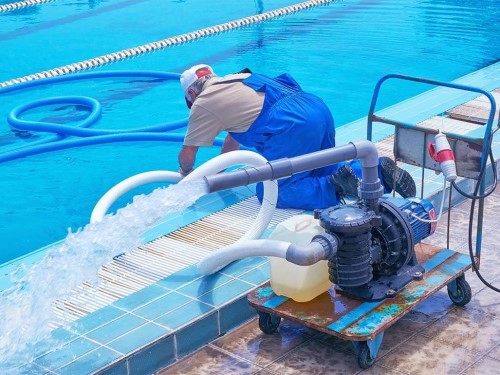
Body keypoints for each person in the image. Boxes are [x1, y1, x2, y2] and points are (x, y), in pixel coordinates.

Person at [177, 64, 416, 210]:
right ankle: (372, 171)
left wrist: (188, 177)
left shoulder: (204, 102)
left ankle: (336, 186)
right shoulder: (238, 78)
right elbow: (233, 139)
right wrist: (218, 173)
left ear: (191, 92)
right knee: (321, 168)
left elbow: (188, 155)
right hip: (315, 108)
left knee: (274, 191)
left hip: (289, 124)